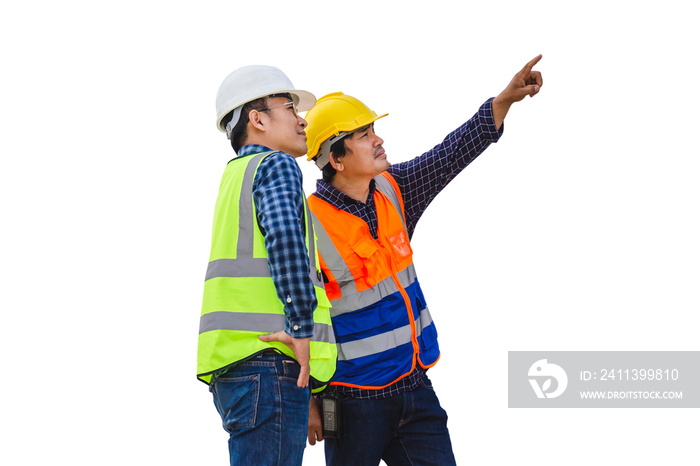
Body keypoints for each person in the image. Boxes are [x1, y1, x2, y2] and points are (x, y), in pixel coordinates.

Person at [303, 55, 543, 465]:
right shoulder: (307, 226)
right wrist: (308, 399)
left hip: (414, 387)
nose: (378, 139)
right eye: (363, 134)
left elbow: (449, 155)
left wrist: (503, 101)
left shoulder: (393, 190)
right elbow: (295, 313)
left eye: (374, 129)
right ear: (337, 160)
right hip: (353, 399)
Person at [197, 65, 337, 466]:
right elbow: (285, 243)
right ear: (256, 119)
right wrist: (300, 328)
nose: (301, 119)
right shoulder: (276, 166)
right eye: (289, 107)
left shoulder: (235, 176)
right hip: (271, 359)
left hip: (234, 366)